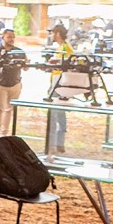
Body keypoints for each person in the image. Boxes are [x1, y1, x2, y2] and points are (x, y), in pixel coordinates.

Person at [0, 29, 24, 139]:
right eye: (9, 37)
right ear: (3, 37)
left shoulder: (19, 51)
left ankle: (4, 134)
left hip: (15, 84)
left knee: (9, 109)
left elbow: (26, 66)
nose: (11, 39)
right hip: (0, 84)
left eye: (13, 37)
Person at [46, 25, 74, 154]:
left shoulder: (65, 48)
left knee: (55, 114)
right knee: (59, 114)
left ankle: (53, 144)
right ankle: (57, 143)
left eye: (52, 33)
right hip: (57, 82)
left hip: (60, 83)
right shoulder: (61, 48)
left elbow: (66, 66)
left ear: (57, 33)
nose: (51, 35)